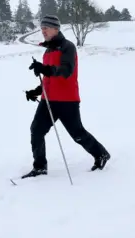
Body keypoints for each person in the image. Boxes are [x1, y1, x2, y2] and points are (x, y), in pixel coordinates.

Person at [22, 15, 110, 179]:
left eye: (46, 28)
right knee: (36, 130)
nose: (43, 31)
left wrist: (46, 69)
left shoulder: (67, 47)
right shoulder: (48, 50)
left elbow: (66, 70)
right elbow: (49, 78)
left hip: (67, 100)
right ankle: (40, 167)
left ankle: (101, 154)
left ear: (56, 29)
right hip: (48, 100)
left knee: (77, 134)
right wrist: (36, 91)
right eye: (42, 28)